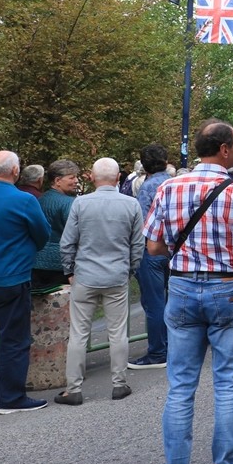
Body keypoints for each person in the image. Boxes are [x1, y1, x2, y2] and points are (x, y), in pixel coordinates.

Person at [142, 120, 233, 464]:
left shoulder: (168, 188)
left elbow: (153, 247)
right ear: (225, 150)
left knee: (180, 385)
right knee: (228, 382)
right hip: (228, 288)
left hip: (182, 287)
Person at [55, 158, 144, 405]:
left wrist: (69, 271)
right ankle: (119, 383)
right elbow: (137, 244)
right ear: (118, 179)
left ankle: (73, 389)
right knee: (118, 332)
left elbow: (67, 242)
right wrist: (130, 269)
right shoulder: (131, 205)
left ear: (92, 178)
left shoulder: (81, 204)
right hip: (116, 275)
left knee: (79, 333)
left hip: (85, 275)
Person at [0, 150, 52, 415]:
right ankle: (11, 397)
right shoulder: (25, 201)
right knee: (14, 339)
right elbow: (42, 235)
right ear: (15, 171)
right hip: (11, 278)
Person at [130, 143, 174, 370]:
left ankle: (158, 351)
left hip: (152, 249)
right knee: (171, 299)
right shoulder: (175, 183)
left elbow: (141, 223)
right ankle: (174, 346)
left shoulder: (147, 188)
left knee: (154, 302)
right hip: (174, 249)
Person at [33, 160, 79, 289]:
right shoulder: (70, 203)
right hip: (60, 265)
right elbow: (75, 234)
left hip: (35, 262)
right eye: (72, 177)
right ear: (58, 180)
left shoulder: (39, 199)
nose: (76, 181)